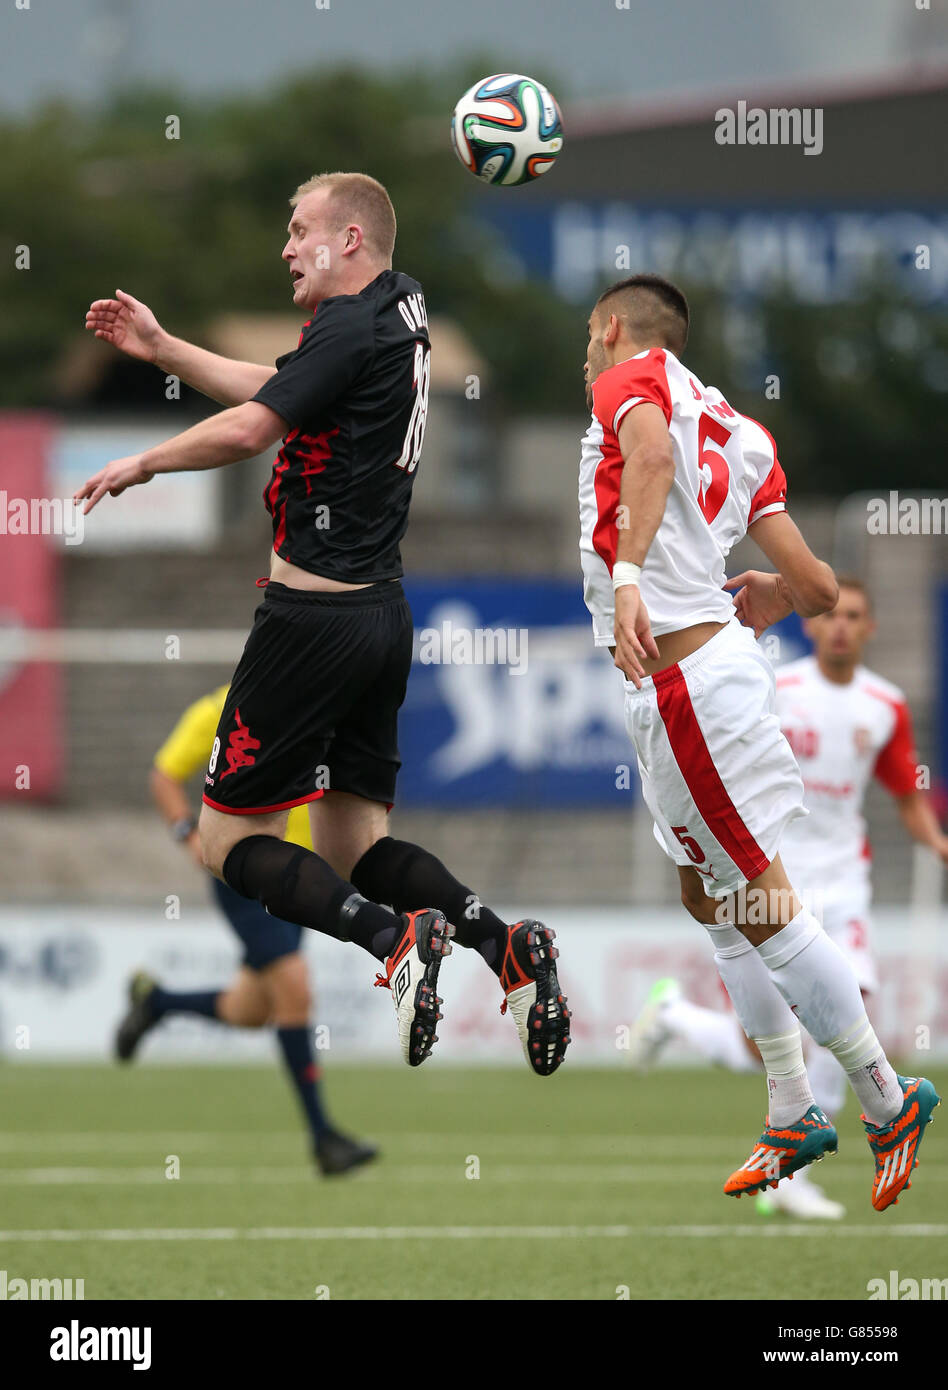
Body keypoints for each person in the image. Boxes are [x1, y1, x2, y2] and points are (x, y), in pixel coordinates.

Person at [77, 171, 570, 1076]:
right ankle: (504, 947)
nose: (285, 246)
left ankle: (393, 945)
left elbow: (250, 428)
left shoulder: (346, 324)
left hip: (310, 619)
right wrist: (162, 348)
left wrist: (144, 460)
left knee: (228, 841)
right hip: (382, 616)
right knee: (351, 845)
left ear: (349, 239)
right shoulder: (399, 308)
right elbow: (281, 385)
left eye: (299, 229)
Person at [579, 272, 939, 1209]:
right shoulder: (740, 429)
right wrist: (784, 593)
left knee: (761, 900)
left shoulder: (628, 381)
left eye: (590, 334)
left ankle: (882, 1095)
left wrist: (626, 577)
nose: (589, 351)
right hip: (691, 684)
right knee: (709, 893)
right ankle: (788, 1100)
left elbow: (649, 460)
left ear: (614, 328)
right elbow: (817, 589)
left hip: (691, 685)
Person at [114, 684, 378, 1176]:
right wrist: (186, 833)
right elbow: (164, 775)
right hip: (244, 876)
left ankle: (156, 1004)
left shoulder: (313, 707)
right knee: (295, 987)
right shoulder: (216, 710)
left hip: (299, 883)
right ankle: (324, 1138)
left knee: (252, 1009)